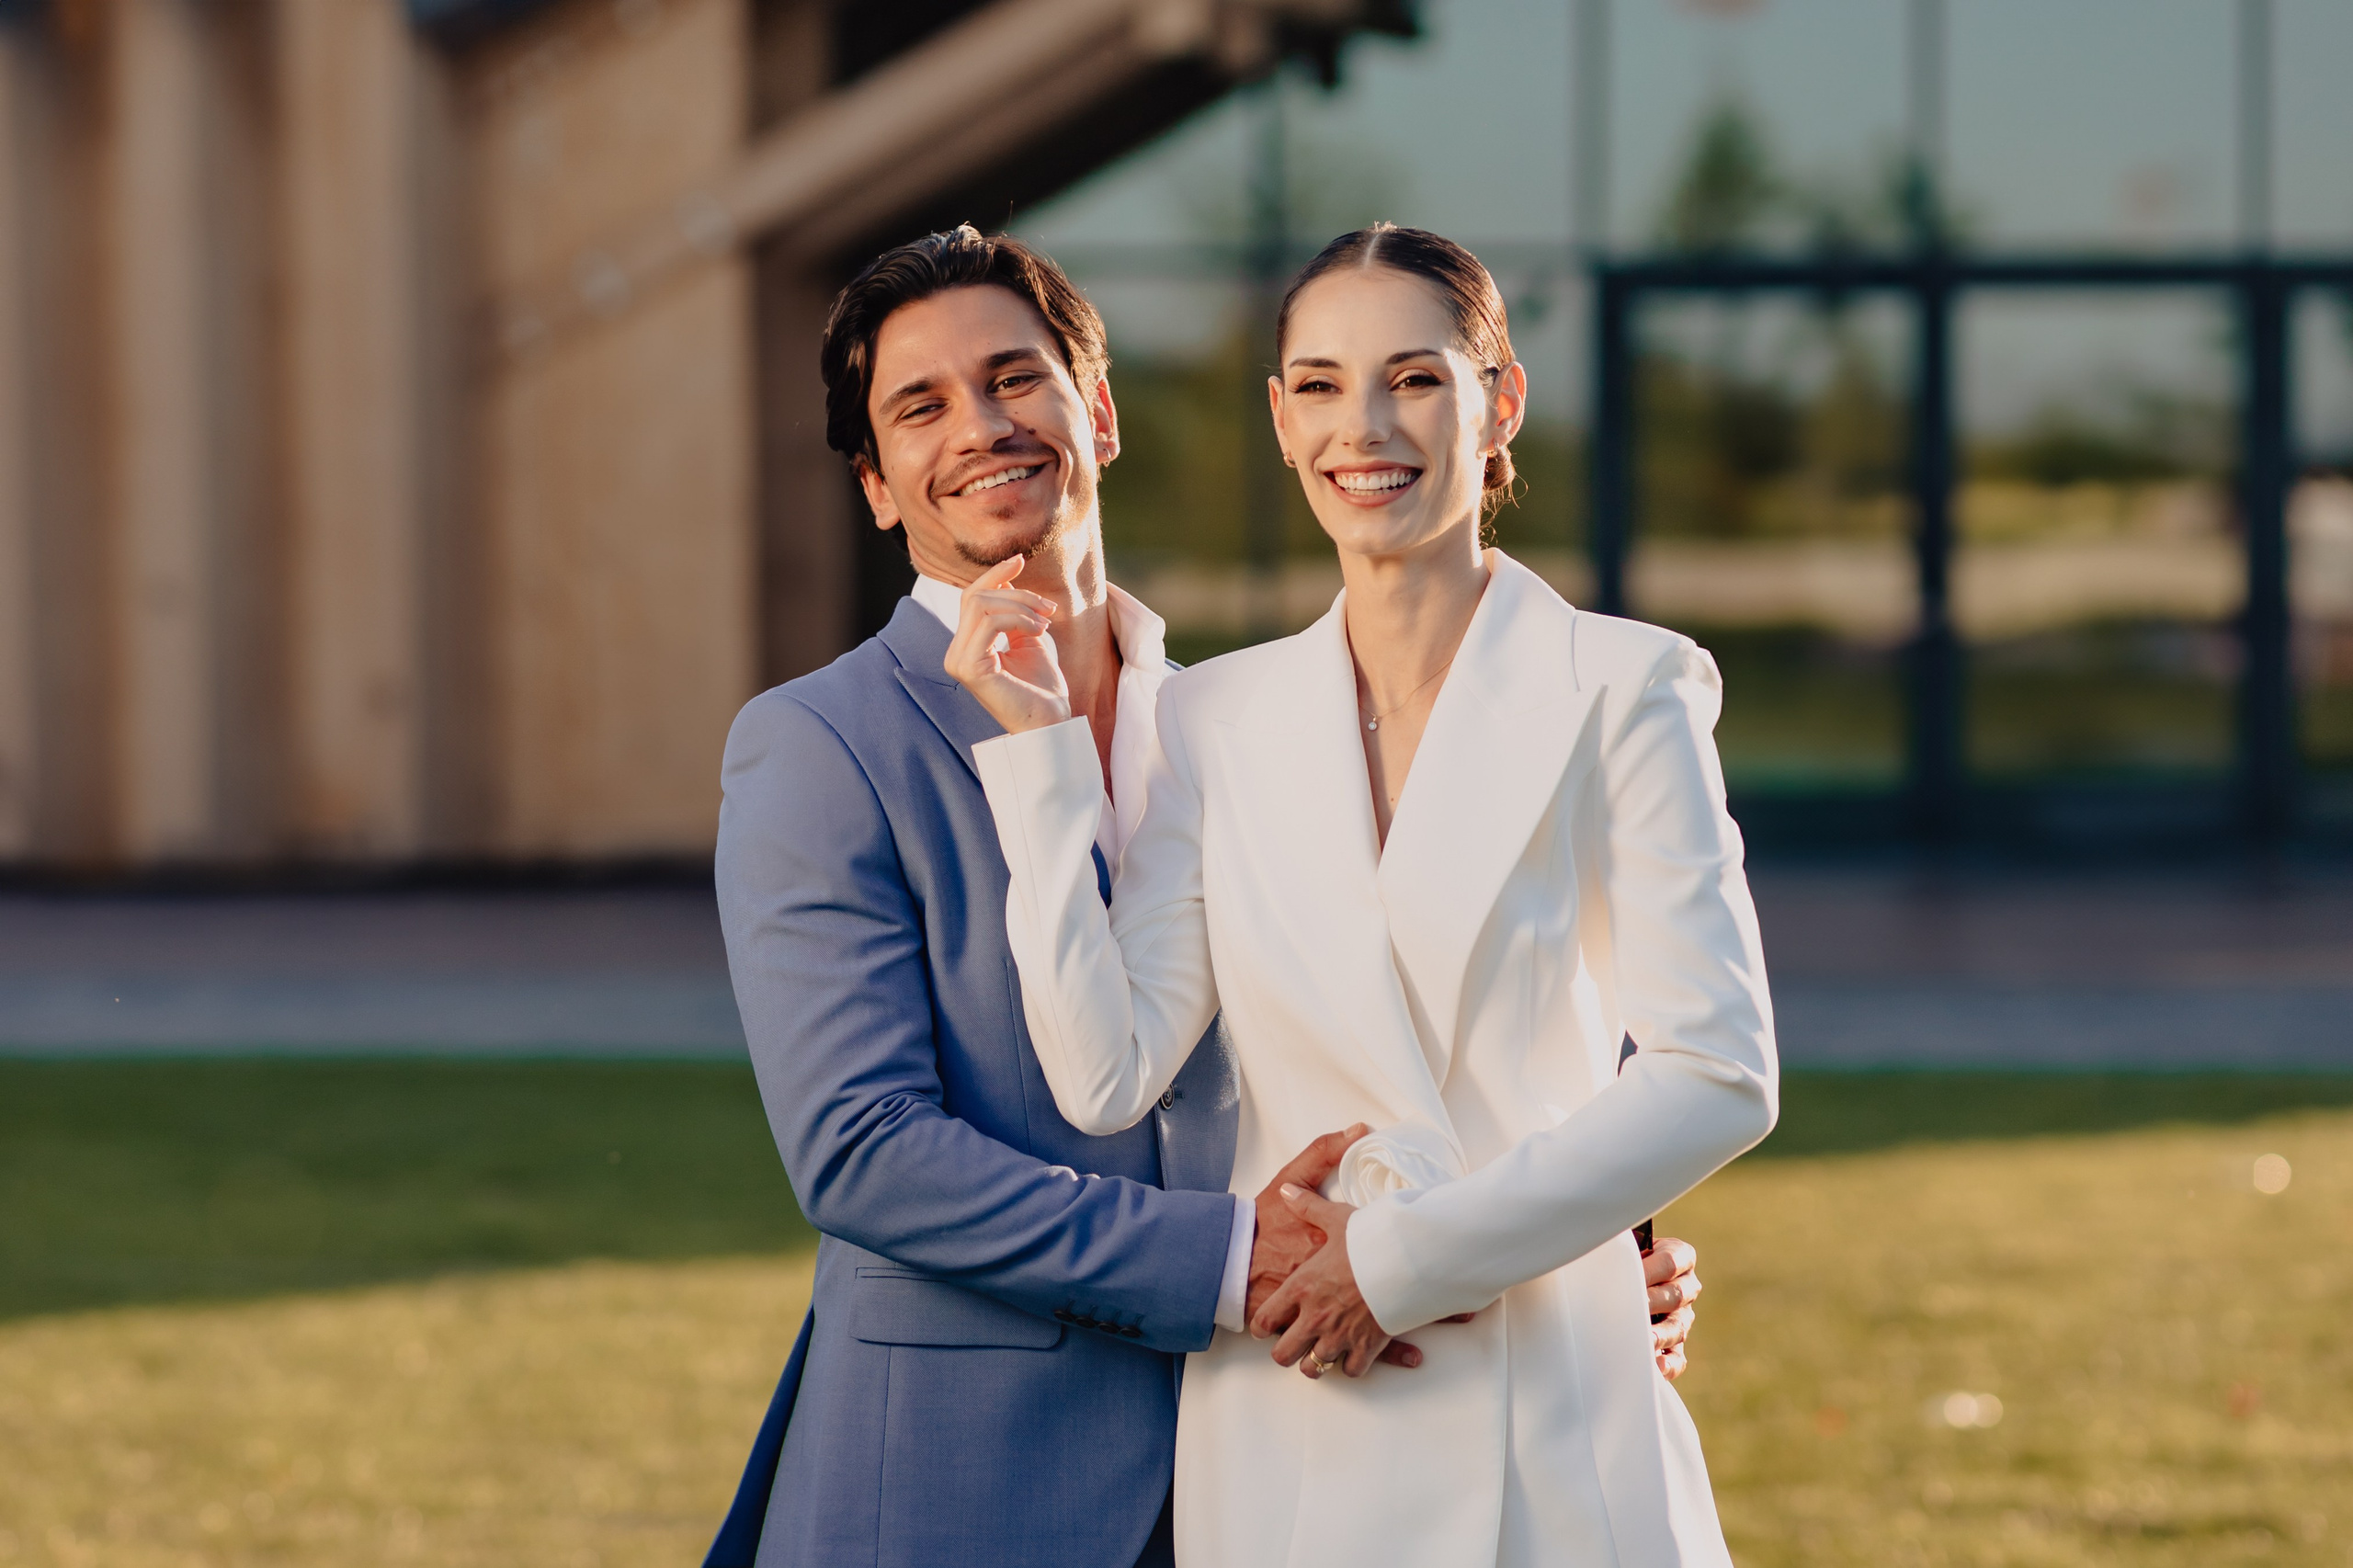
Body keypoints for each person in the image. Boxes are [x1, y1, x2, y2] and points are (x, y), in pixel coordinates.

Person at [706, 224, 1706, 1568]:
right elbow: (863, 1149)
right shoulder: (816, 744)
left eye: (1017, 378)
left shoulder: (1236, 716)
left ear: (1099, 413)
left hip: (1287, 1452)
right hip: (970, 1474)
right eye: (921, 406)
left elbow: (1424, 1019)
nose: (982, 427)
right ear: (876, 483)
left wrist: (1576, 1252)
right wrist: (1233, 1261)